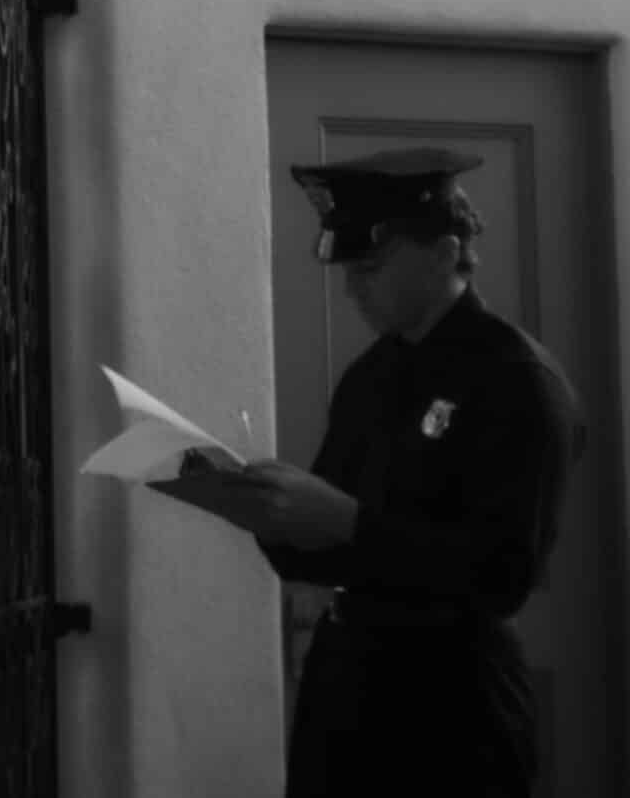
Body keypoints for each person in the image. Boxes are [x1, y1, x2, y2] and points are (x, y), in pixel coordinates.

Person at [219, 147, 582, 798]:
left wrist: (348, 522)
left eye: (371, 266)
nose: (353, 287)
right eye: (349, 269)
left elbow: (502, 574)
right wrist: (268, 513)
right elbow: (327, 550)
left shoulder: (516, 380)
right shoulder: (372, 375)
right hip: (349, 691)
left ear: (445, 253)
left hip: (451, 704)